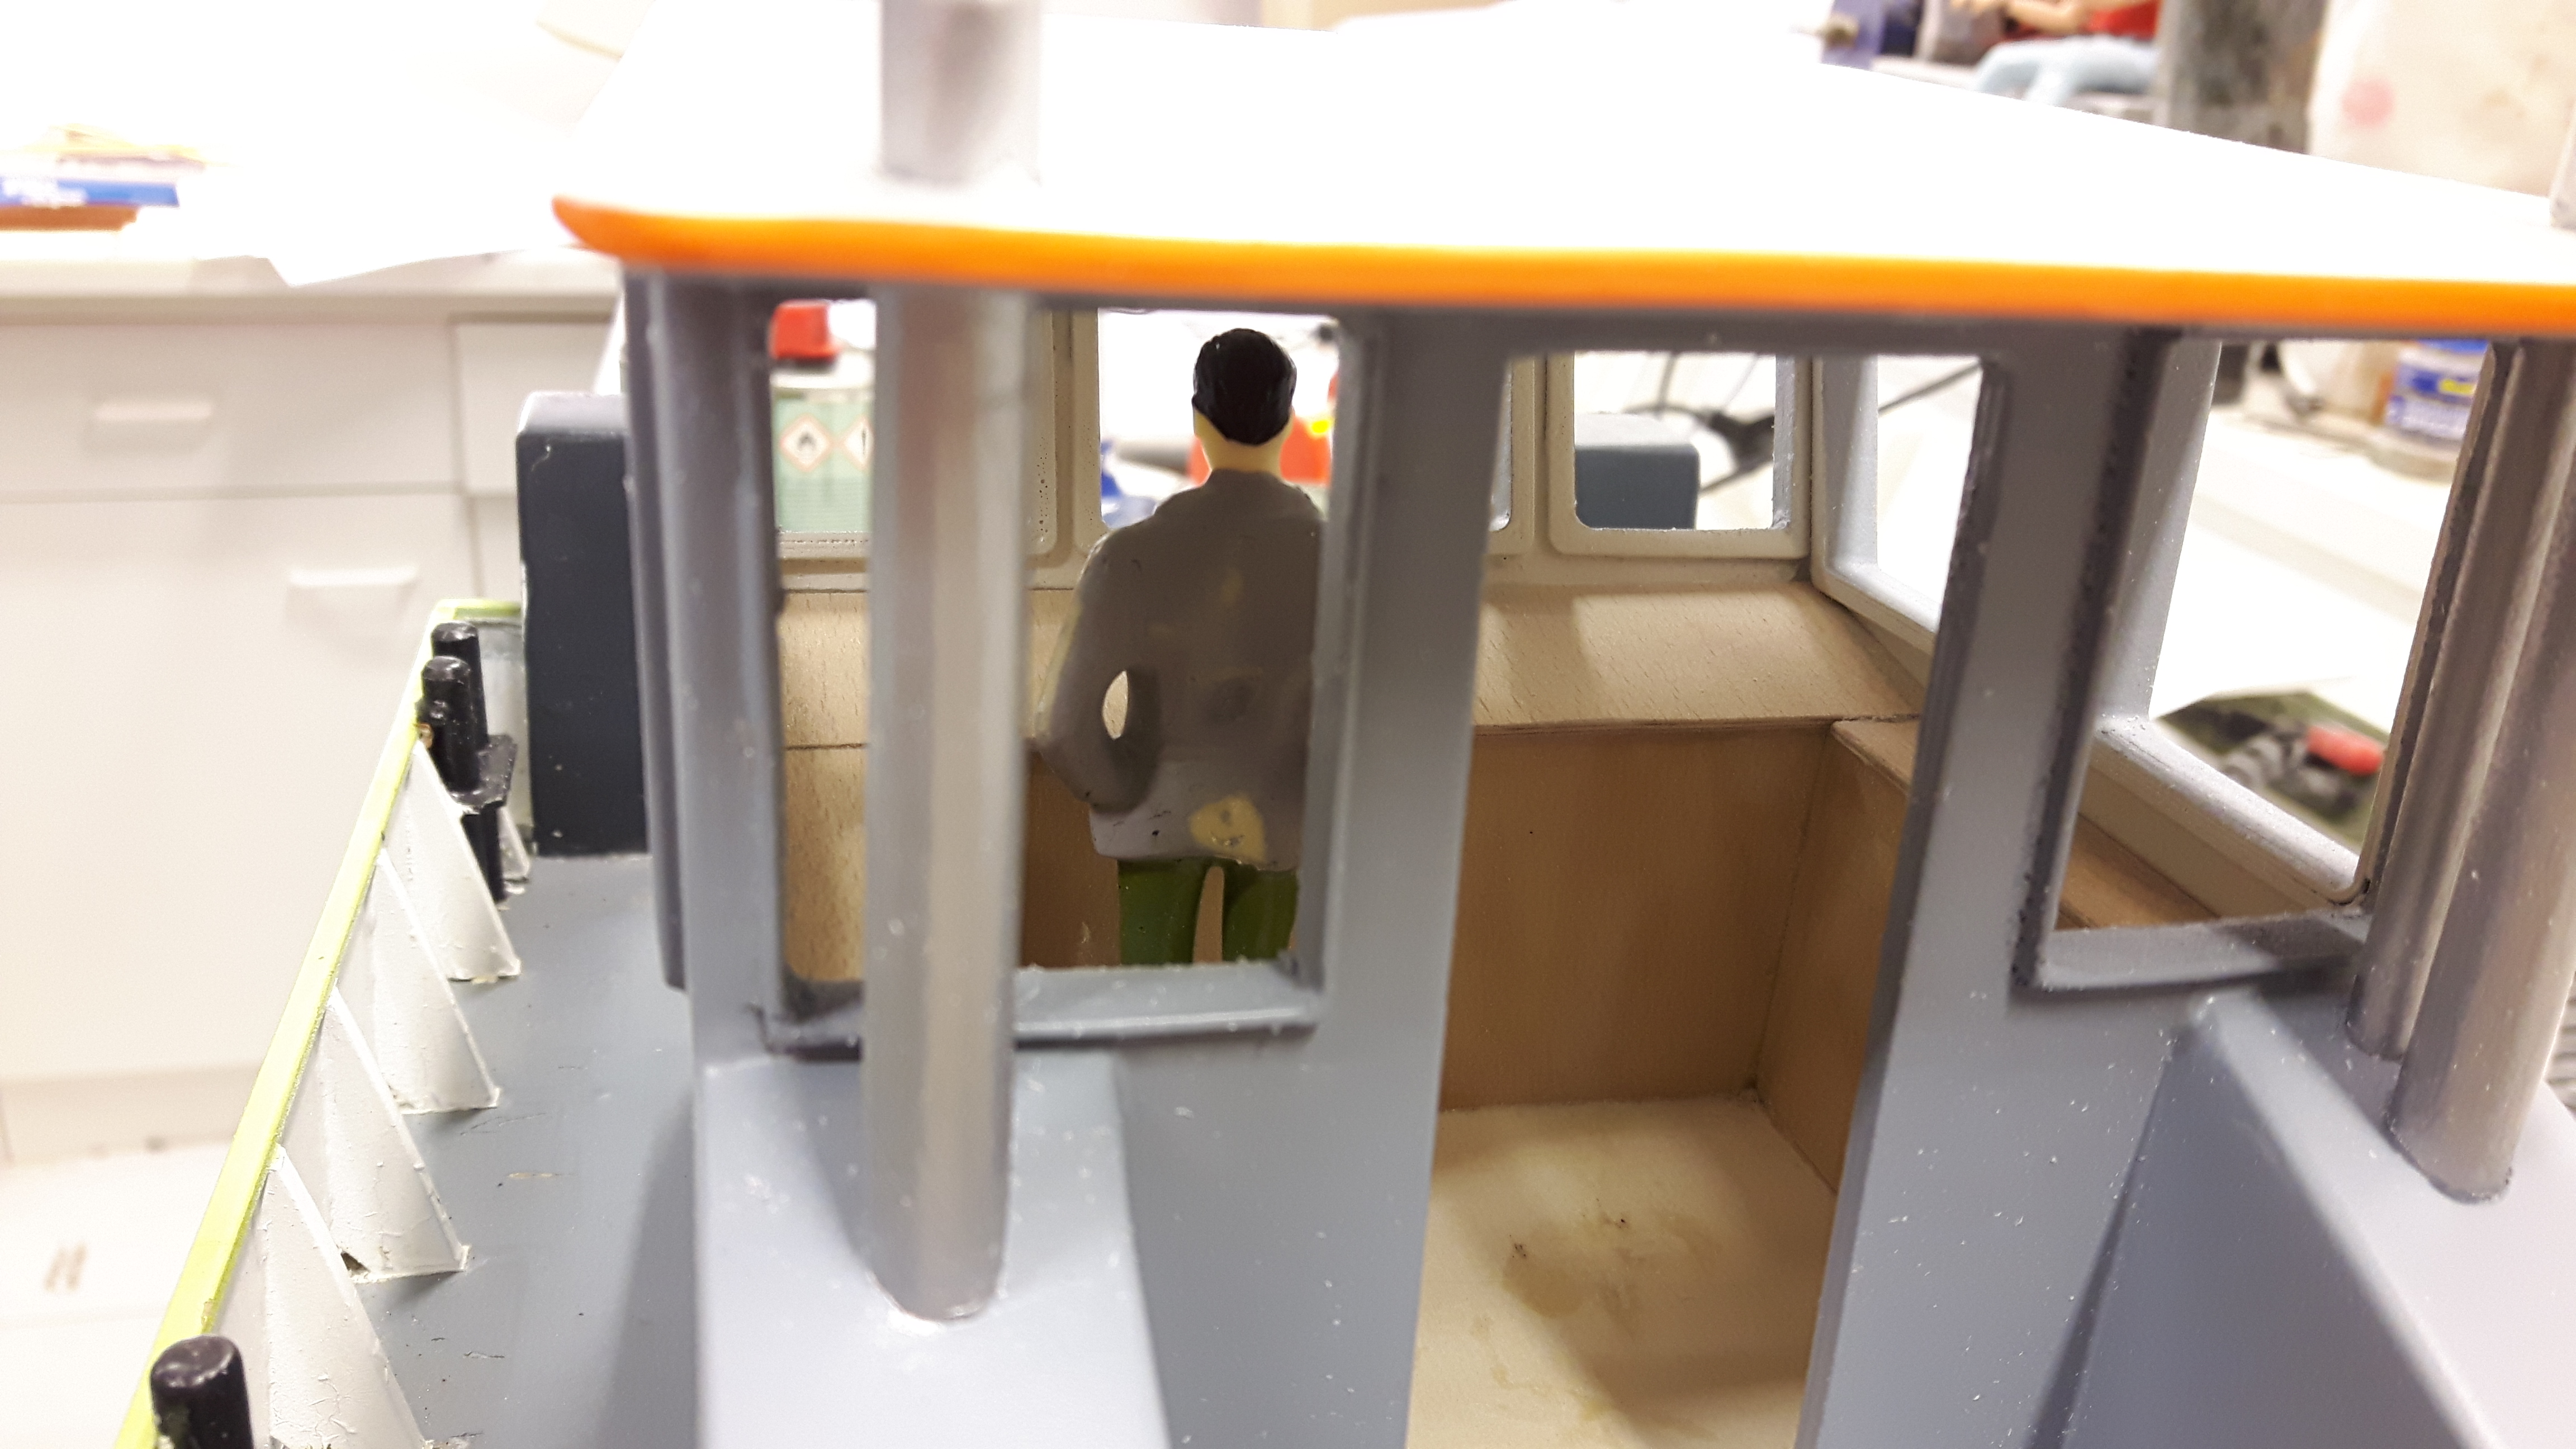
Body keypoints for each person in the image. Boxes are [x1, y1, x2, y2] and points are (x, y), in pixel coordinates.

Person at [1038, 329, 1324, 965]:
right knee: (1259, 996)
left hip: (1154, 812)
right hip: (1279, 811)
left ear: (1199, 418)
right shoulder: (1335, 559)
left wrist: (1121, 786)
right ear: (1286, 421)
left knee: (1151, 998)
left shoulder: (1129, 556)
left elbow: (1061, 725)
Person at [1965, 0, 2160, 110]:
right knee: (2003, 58)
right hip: (2095, 45)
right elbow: (2067, 19)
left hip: (2148, 52)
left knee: (2067, 61)